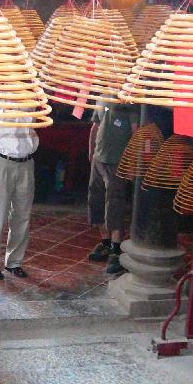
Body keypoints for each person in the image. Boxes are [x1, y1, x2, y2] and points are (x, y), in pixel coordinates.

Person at [0, 100, 38, 280]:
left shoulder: (30, 96)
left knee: (22, 214)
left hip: (26, 161)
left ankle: (14, 262)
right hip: (2, 160)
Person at [87, 102, 138, 274]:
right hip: (98, 159)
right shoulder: (101, 97)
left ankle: (116, 250)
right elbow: (95, 126)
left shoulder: (130, 102)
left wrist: (131, 165)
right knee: (96, 201)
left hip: (118, 163)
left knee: (114, 205)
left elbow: (136, 132)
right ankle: (105, 242)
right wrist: (91, 152)